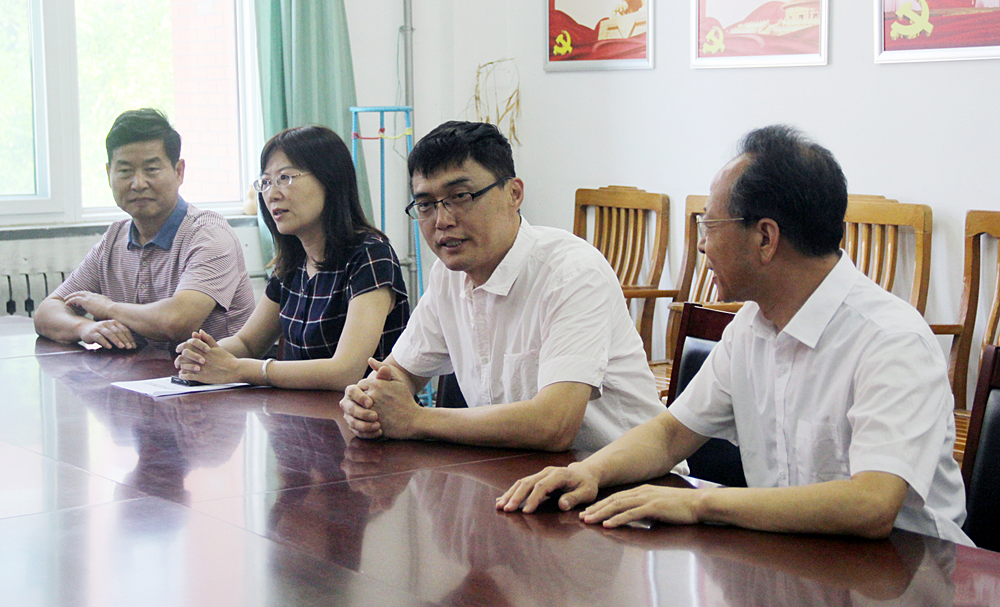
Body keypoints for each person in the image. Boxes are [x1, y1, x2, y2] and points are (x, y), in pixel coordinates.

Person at [497, 124, 972, 545]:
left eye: (709, 225)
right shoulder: (751, 326)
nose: (702, 245)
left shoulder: (890, 340)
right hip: (793, 555)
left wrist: (700, 504)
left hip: (909, 572)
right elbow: (669, 435)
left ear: (765, 238)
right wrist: (587, 472)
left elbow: (871, 504)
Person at [339, 121, 664, 452]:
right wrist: (367, 401)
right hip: (514, 469)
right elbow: (399, 373)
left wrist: (415, 419)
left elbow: (555, 424)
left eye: (460, 197)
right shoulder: (447, 275)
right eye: (425, 204)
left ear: (514, 194)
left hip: (629, 476)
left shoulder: (572, 274)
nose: (442, 220)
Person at [174, 125, 409, 390]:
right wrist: (203, 356)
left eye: (285, 178)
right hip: (299, 411)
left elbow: (346, 371)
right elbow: (248, 343)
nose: (272, 194)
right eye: (266, 182)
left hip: (363, 411)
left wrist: (240, 369)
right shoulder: (293, 262)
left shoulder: (371, 255)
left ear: (329, 180)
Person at [34, 108, 255, 349]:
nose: (138, 184)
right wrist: (84, 327)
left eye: (151, 169)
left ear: (179, 172)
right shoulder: (114, 239)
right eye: (125, 171)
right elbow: (47, 311)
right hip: (140, 371)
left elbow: (177, 321)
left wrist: (108, 308)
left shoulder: (209, 234)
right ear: (109, 174)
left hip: (216, 373)